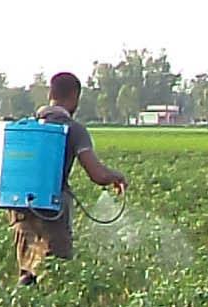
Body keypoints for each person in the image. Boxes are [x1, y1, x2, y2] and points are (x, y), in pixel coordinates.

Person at [7, 72, 129, 286]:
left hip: (21, 209)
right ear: (74, 97)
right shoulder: (72, 129)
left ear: (50, 94)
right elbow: (97, 175)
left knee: (28, 273)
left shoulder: (28, 127)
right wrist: (116, 177)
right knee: (56, 275)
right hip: (52, 212)